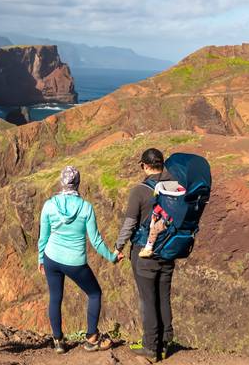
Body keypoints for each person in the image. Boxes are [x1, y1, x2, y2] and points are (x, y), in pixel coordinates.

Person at [38, 165, 123, 354]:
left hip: (51, 257)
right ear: (78, 184)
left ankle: (58, 341)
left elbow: (42, 237)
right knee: (94, 294)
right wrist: (112, 257)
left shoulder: (49, 205)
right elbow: (96, 241)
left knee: (55, 298)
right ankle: (91, 339)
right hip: (75, 262)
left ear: (61, 182)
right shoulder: (86, 208)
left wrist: (41, 259)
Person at [115, 148, 176, 362]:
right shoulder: (176, 187)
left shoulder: (140, 191)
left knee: (148, 299)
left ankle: (151, 346)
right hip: (168, 250)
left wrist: (118, 246)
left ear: (145, 165)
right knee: (163, 296)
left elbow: (130, 223)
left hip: (144, 253)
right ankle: (165, 342)